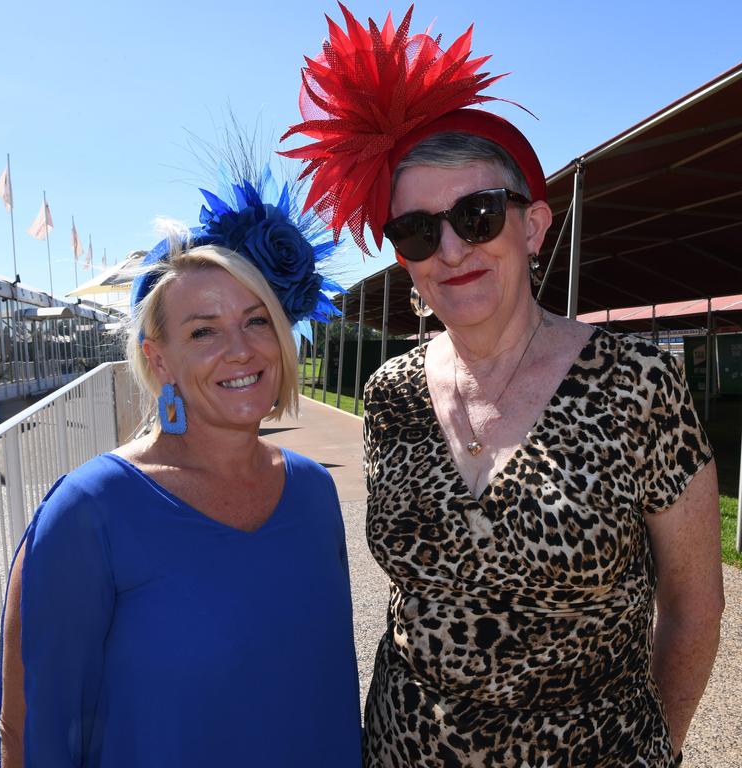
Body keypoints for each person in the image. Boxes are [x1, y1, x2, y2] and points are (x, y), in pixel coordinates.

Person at [281, 6, 724, 767]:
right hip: (404, 749)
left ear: (534, 226)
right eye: (418, 231)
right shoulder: (390, 394)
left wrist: (657, 748)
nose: (451, 248)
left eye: (478, 214)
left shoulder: (639, 383)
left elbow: (694, 605)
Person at [0, 172, 362, 767]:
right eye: (203, 331)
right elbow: (30, 734)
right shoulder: (90, 512)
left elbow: (328, 689)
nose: (240, 349)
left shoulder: (314, 492)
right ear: (157, 358)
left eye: (257, 320)